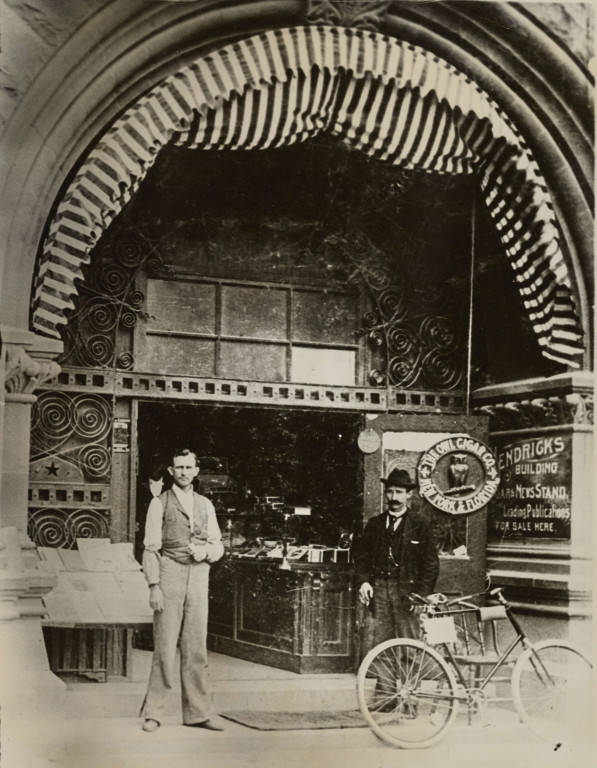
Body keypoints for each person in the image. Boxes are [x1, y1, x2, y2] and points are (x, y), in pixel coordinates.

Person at [140, 448, 225, 732]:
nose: (184, 472)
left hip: (199, 575)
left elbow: (218, 545)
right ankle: (154, 713)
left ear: (196, 471)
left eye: (189, 468)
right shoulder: (159, 503)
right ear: (171, 471)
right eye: (179, 468)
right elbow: (150, 548)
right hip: (169, 573)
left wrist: (205, 553)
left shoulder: (206, 505)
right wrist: (154, 586)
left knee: (196, 647)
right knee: (164, 646)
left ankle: (199, 713)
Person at [353, 467, 439, 654]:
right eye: (390, 492)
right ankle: (385, 683)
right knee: (380, 638)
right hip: (380, 589)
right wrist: (364, 581)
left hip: (407, 591)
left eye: (399, 492)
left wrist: (421, 596)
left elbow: (431, 564)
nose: (394, 497)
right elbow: (362, 558)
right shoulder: (375, 524)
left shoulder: (420, 524)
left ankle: (408, 683)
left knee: (409, 639)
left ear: (409, 495)